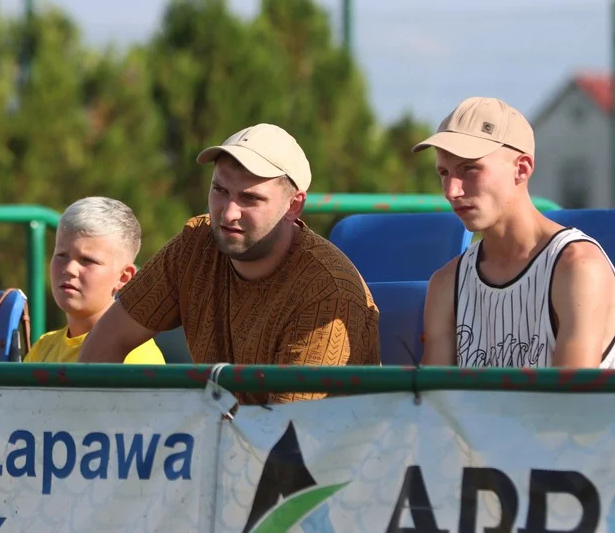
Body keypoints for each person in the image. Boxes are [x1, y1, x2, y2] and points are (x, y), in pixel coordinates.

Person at [78, 123, 382, 404]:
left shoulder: (327, 292)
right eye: (219, 191)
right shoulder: (194, 245)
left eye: (250, 198)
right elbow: (103, 345)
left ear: (294, 205)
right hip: (222, 446)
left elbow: (291, 440)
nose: (227, 213)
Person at [412, 97, 615, 368]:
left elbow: (574, 405)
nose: (451, 191)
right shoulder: (445, 284)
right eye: (444, 173)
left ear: (522, 168)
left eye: (469, 169)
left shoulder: (578, 267)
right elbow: (435, 405)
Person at [24, 196, 165, 364]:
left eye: (87, 260)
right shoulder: (43, 348)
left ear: (124, 277)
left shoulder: (133, 357)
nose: (69, 269)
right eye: (61, 255)